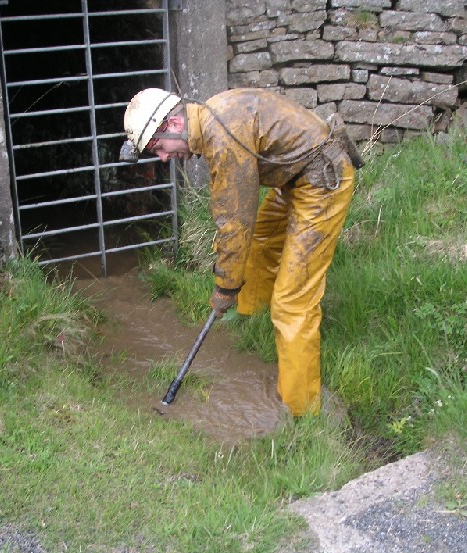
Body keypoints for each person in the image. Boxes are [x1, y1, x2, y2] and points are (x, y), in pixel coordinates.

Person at [121, 87, 360, 417]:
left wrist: (225, 288)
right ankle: (252, 319)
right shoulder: (213, 114)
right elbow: (242, 227)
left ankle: (301, 410)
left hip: (321, 178)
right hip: (294, 174)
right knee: (262, 240)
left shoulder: (222, 139)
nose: (163, 157)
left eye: (159, 147)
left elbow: (235, 223)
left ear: (174, 122)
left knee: (293, 303)